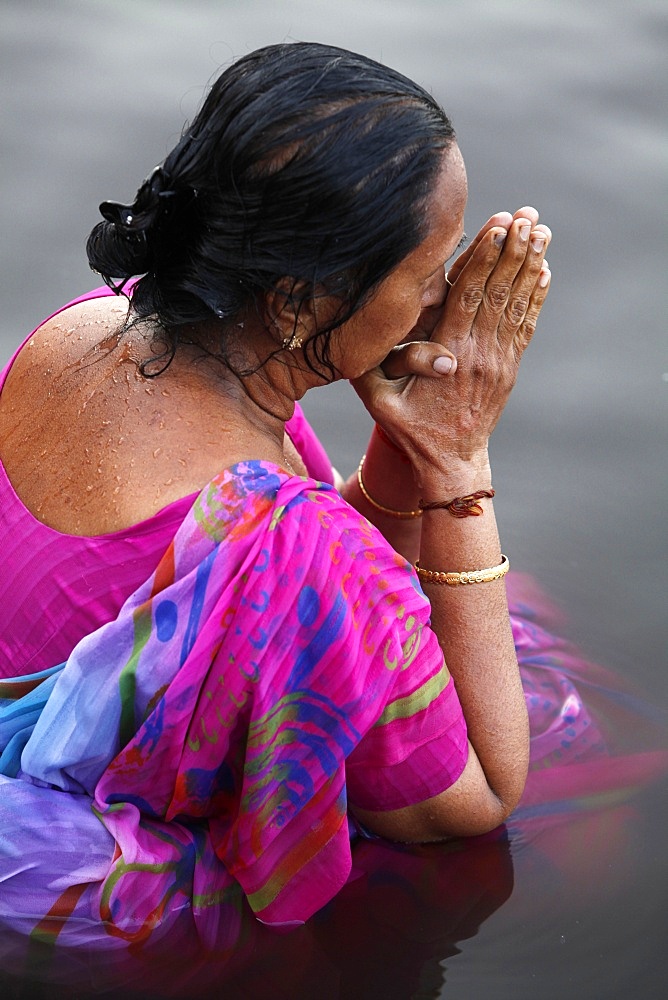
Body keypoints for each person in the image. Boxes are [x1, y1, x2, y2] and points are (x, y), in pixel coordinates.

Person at [0, 42, 554, 942]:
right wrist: (459, 463)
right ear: (297, 305)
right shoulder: (283, 539)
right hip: (95, 893)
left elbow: (313, 580)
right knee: (564, 750)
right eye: (426, 275)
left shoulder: (93, 325)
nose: (438, 304)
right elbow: (481, 795)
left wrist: (405, 439)